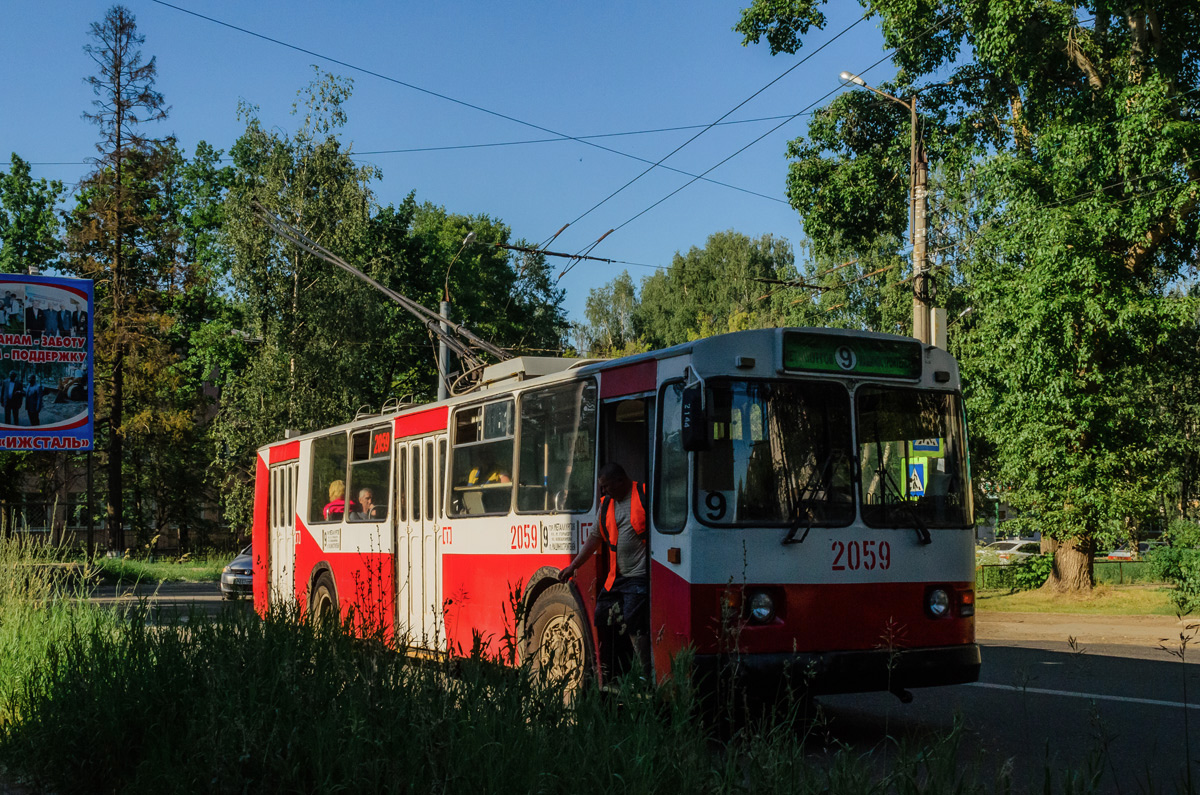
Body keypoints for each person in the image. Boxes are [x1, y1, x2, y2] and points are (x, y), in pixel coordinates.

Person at [559, 462, 650, 680]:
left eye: (607, 486)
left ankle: (647, 675)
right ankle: (614, 675)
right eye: (602, 487)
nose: (604, 491)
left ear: (621, 481)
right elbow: (595, 537)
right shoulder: (607, 504)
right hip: (616, 578)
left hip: (639, 576)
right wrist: (574, 566)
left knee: (633, 622)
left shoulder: (644, 494)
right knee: (602, 618)